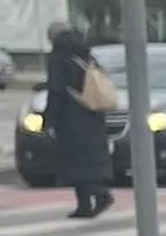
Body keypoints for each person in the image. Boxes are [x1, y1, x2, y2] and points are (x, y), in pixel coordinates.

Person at [44, 25, 114, 219]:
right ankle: (87, 203)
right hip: (92, 113)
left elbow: (56, 90)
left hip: (70, 117)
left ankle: (97, 197)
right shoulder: (85, 52)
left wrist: (49, 119)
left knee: (73, 162)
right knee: (89, 160)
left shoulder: (58, 57)